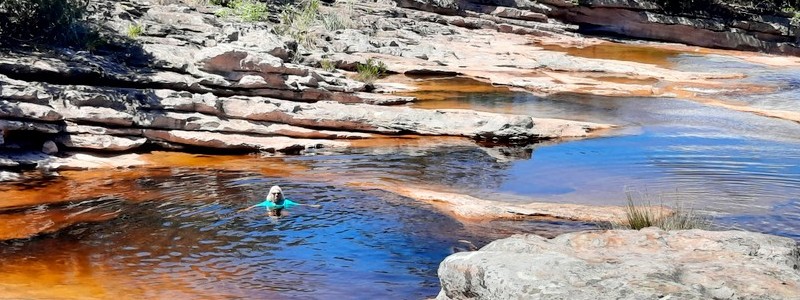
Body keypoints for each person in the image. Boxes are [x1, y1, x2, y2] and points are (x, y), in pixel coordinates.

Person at [238, 185, 319, 216]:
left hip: (281, 212)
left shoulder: (285, 202)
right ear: (271, 194)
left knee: (287, 214)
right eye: (274, 193)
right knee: (261, 216)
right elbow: (255, 206)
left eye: (278, 193)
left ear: (281, 194)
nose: (276, 195)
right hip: (271, 213)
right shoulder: (267, 203)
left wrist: (312, 206)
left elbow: (298, 205)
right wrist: (245, 210)